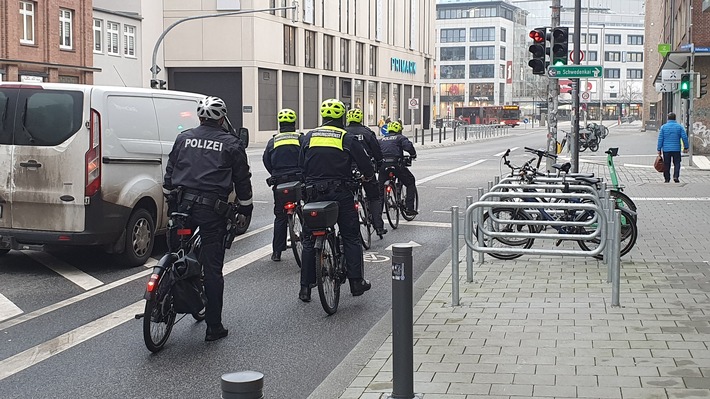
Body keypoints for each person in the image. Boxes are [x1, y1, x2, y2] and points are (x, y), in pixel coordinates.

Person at [163, 96, 253, 342]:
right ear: (222, 118)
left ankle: (165, 300)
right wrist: (246, 208)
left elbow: (170, 172)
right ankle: (214, 326)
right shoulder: (232, 144)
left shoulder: (183, 138)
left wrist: (171, 199)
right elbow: (242, 181)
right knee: (213, 270)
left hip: (182, 206)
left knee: (176, 254)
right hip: (211, 211)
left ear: (199, 117)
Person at [298, 99, 375, 302]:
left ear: (323, 118)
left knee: (309, 239)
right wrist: (367, 177)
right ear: (341, 118)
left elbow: (300, 166)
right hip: (340, 192)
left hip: (313, 193)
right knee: (350, 236)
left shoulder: (308, 137)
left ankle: (305, 288)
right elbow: (366, 165)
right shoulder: (346, 138)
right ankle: (356, 282)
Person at [263, 108, 304, 261]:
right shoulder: (300, 138)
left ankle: (277, 252)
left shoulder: (273, 141)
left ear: (280, 124)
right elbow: (306, 157)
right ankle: (307, 243)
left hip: (279, 181)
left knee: (280, 217)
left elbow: (266, 161)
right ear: (294, 123)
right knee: (304, 210)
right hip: (298, 179)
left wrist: (274, 174)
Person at [345, 108, 387, 237]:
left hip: (348, 171)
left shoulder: (344, 132)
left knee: (347, 200)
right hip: (365, 169)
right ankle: (378, 226)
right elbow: (376, 150)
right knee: (374, 197)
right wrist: (380, 163)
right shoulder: (367, 132)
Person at [378, 121, 418, 216]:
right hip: (396, 165)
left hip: (383, 166)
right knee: (410, 182)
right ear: (399, 130)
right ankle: (409, 208)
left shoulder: (381, 140)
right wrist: (413, 155)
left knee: (380, 190)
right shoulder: (400, 138)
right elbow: (408, 146)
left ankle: (377, 214)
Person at [657, 112, 690, 183]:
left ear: (668, 118)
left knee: (666, 164)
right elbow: (684, 137)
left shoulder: (663, 127)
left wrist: (659, 149)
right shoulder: (679, 127)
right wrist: (686, 147)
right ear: (675, 118)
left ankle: (667, 178)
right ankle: (676, 176)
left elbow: (660, 139)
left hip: (666, 149)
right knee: (677, 163)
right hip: (676, 149)